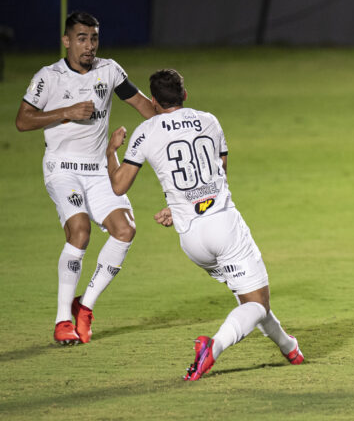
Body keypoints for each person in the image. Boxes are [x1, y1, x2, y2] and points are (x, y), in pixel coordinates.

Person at [104, 69, 304, 380]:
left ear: (154, 101)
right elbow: (219, 171)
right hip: (223, 225)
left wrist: (110, 151)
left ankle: (290, 348)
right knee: (257, 305)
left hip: (191, 239)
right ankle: (213, 347)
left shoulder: (145, 132)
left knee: (249, 297)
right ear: (185, 95)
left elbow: (118, 186)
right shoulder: (209, 120)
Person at [15, 11, 155, 345]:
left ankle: (85, 306)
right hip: (62, 168)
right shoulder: (48, 77)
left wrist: (176, 119)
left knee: (125, 230)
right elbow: (22, 121)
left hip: (97, 169)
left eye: (93, 38)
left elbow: (145, 108)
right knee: (80, 231)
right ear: (66, 41)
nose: (89, 45)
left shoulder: (110, 70)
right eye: (81, 38)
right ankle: (62, 319)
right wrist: (67, 112)